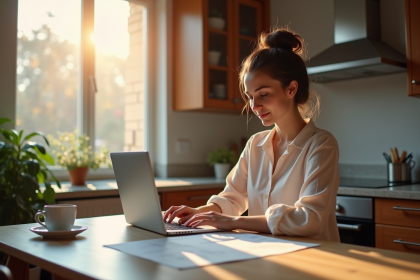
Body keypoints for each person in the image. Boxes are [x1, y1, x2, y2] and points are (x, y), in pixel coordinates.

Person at [163, 27, 340, 242]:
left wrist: (233, 222)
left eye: (263, 94)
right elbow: (233, 197)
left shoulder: (321, 144)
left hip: (316, 257)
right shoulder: (255, 144)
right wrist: (198, 211)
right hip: (267, 254)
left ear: (291, 89)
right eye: (250, 97)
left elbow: (310, 218)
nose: (255, 106)